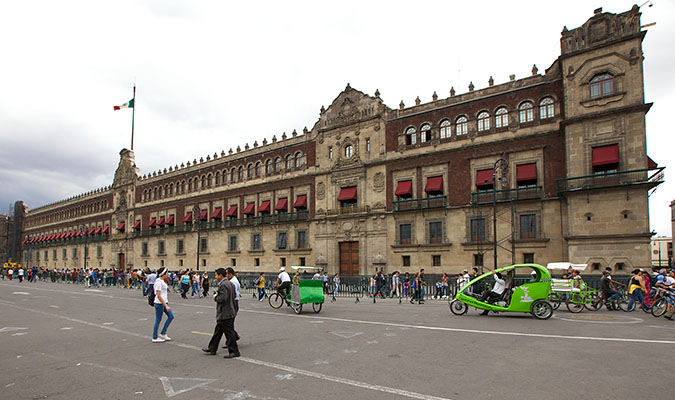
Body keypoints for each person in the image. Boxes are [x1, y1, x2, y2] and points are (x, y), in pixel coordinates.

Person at [202, 268, 239, 358]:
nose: (215, 277)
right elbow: (234, 297)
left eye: (216, 275)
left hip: (225, 312)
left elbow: (222, 298)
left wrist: (215, 297)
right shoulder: (230, 284)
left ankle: (234, 351)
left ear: (220, 275)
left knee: (229, 333)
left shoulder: (223, 285)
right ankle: (212, 348)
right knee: (218, 331)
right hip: (229, 311)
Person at [151, 268, 174, 343]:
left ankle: (163, 333)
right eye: (167, 273)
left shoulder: (161, 281)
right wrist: (166, 305)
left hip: (164, 302)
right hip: (159, 303)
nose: (168, 274)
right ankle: (154, 337)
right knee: (158, 320)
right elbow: (158, 295)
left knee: (171, 316)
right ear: (163, 274)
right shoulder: (158, 282)